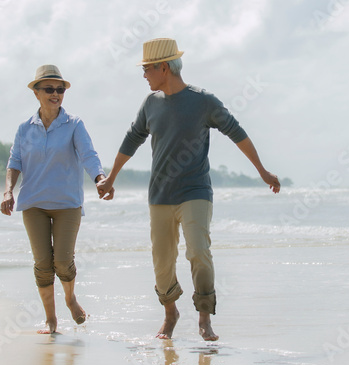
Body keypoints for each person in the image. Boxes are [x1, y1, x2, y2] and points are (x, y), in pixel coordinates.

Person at [96, 38, 280, 341]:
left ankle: (204, 317)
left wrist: (262, 171)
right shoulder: (150, 104)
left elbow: (237, 133)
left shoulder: (203, 101)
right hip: (159, 196)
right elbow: (132, 140)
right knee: (162, 261)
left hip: (195, 191)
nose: (143, 74)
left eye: (146, 69)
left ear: (163, 68)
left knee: (199, 252)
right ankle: (171, 314)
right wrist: (111, 178)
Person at [0, 64, 109, 334]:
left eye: (60, 89)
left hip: (67, 204)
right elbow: (14, 162)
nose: (55, 94)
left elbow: (88, 155)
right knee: (42, 264)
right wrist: (8, 191)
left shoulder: (74, 124)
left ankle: (70, 299)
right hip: (33, 204)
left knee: (62, 261)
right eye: (49, 89)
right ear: (36, 93)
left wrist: (99, 178)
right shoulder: (24, 129)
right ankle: (51, 320)